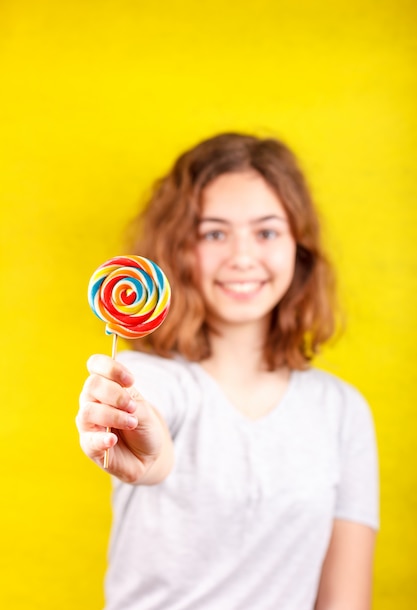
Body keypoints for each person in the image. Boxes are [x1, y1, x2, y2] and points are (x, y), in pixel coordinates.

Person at [76, 132, 379, 610]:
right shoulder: (143, 378)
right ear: (179, 249)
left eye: (266, 232)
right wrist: (144, 447)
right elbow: (149, 431)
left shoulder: (341, 410)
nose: (242, 256)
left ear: (298, 248)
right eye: (214, 233)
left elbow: (345, 600)